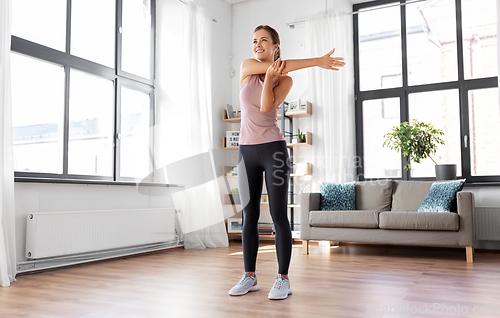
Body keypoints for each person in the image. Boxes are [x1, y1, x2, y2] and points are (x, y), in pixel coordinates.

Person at [228, 25, 345, 300]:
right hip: (246, 152)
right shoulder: (246, 68)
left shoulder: (285, 80)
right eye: (254, 40)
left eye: (264, 41)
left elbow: (267, 106)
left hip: (274, 151)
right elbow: (277, 66)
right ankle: (249, 276)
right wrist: (311, 62)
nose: (257, 45)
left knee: (279, 216)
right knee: (249, 216)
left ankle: (283, 279)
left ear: (275, 46)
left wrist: (271, 76)